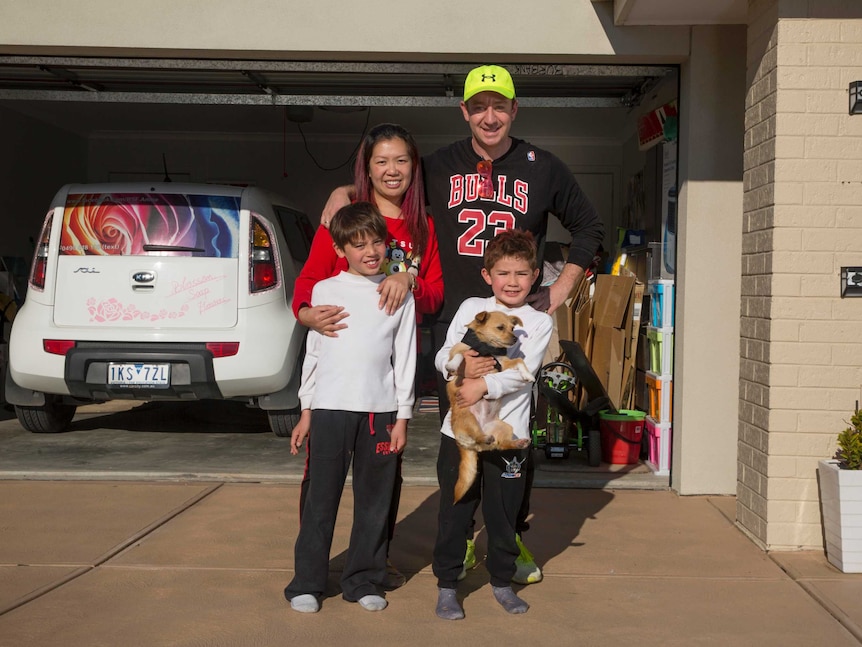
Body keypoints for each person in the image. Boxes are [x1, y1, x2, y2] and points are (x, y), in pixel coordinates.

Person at [321, 64, 605, 584]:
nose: (490, 116)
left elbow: (590, 226)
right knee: (458, 433)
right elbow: (392, 184)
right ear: (465, 111)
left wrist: (559, 290)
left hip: (517, 328)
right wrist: (344, 194)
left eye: (500, 106)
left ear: (514, 110)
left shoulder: (543, 167)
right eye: (479, 107)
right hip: (456, 322)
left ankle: (509, 534)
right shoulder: (440, 164)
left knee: (516, 432)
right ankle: (459, 535)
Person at [292, 123, 444, 590]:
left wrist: (408, 280)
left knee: (380, 486)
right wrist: (307, 317)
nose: (392, 170)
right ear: (367, 167)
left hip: (382, 384)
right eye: (381, 161)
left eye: (401, 160)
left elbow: (434, 295)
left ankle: (370, 567)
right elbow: (307, 286)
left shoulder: (422, 227)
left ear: (413, 167)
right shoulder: (343, 217)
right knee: (322, 489)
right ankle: (311, 574)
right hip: (336, 387)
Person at [284, 202, 416, 614]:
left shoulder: (398, 291)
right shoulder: (324, 290)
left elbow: (405, 355)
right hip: (328, 410)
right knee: (320, 499)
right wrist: (306, 409)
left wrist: (403, 415)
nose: (370, 251)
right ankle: (307, 582)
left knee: (374, 502)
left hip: (380, 413)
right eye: (358, 245)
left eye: (377, 241)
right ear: (341, 250)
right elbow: (314, 352)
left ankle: (364, 580)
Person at [432, 229, 552, 620]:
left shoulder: (536, 322)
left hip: (507, 434)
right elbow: (443, 357)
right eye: (503, 273)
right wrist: (461, 366)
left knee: (504, 514)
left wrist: (481, 384)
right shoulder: (471, 308)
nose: (512, 281)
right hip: (461, 433)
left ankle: (501, 581)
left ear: (534, 276)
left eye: (521, 273)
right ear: (488, 276)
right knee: (455, 509)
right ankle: (447, 585)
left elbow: (525, 373)